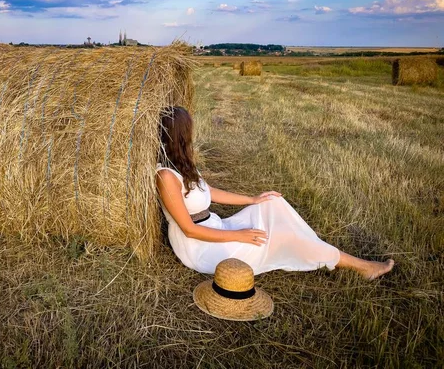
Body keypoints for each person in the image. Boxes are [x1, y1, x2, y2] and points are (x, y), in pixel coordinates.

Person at [156, 106, 395, 279]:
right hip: (198, 246)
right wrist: (239, 236)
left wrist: (253, 199)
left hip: (215, 227)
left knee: (270, 202)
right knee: (281, 237)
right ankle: (362, 267)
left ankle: (312, 243)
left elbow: (210, 191)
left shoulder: (182, 164)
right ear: (181, 136)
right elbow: (189, 229)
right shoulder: (166, 177)